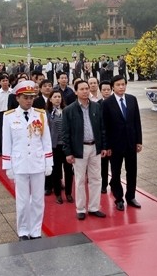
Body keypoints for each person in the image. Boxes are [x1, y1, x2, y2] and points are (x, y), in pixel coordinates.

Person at [2, 80, 53, 241]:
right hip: (20, 163)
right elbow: (7, 142)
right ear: (17, 98)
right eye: (25, 97)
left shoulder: (40, 114)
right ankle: (23, 230)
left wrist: (48, 162)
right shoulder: (9, 117)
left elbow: (46, 140)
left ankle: (35, 229)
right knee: (23, 201)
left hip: (37, 162)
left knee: (38, 200)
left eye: (31, 97)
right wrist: (8, 165)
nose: (29, 100)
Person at [62, 80, 107, 220]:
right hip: (79, 149)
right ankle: (80, 208)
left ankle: (94, 207)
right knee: (80, 180)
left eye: (87, 88)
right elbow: (66, 133)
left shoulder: (96, 107)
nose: (85, 91)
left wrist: (103, 146)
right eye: (81, 89)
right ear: (75, 91)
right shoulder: (69, 110)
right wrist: (68, 152)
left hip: (95, 147)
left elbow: (102, 128)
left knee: (96, 178)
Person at [102, 75, 142, 211]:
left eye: (123, 84)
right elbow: (105, 126)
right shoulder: (107, 103)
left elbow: (137, 121)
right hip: (115, 145)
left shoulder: (132, 99)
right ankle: (118, 198)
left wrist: (139, 141)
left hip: (131, 142)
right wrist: (106, 146)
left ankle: (131, 196)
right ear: (113, 87)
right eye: (118, 85)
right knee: (116, 172)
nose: (121, 87)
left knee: (132, 171)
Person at [0, 73, 12, 156]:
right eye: (3, 81)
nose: (5, 82)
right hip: (1, 115)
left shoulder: (12, 92)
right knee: (2, 134)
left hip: (11, 113)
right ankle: (4, 151)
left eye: (6, 80)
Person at [98, 81, 112, 193]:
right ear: (100, 91)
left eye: (108, 89)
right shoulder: (97, 104)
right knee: (103, 165)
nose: (106, 92)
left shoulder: (115, 102)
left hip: (114, 139)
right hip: (103, 139)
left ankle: (114, 183)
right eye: (104, 90)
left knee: (115, 165)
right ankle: (103, 184)